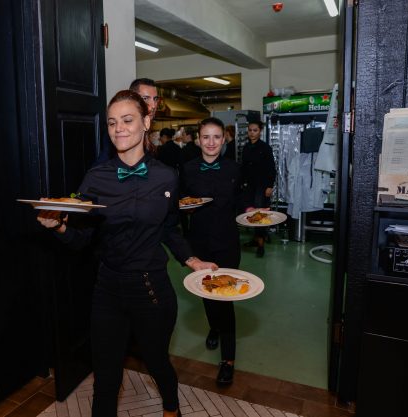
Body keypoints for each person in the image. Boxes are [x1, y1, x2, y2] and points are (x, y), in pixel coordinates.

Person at [37, 90, 217, 417]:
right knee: (106, 378)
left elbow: (169, 229)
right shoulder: (95, 178)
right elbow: (82, 240)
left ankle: (171, 409)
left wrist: (192, 260)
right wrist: (58, 227)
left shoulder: (166, 176)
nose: (118, 128)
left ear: (146, 122)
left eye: (127, 120)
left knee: (157, 362)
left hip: (151, 289)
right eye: (112, 122)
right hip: (107, 289)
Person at [180, 117, 245, 386]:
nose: (211, 142)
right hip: (200, 243)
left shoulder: (234, 168)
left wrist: (252, 209)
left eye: (216, 137)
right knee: (207, 294)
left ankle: (228, 360)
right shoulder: (187, 169)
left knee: (225, 298)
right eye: (205, 137)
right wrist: (185, 207)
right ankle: (214, 327)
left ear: (223, 139)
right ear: (198, 139)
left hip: (228, 243)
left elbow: (241, 201)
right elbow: (181, 201)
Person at [95, 78, 161, 164]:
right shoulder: (117, 132)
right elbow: (104, 163)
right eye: (145, 98)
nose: (153, 106)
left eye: (155, 99)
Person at [240, 120, 276, 257]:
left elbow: (271, 168)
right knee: (251, 213)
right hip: (249, 186)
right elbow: (244, 167)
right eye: (250, 130)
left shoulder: (265, 148)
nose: (252, 133)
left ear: (260, 131)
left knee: (260, 213)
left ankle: (261, 244)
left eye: (255, 130)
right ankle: (255, 239)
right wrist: (242, 183)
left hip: (262, 185)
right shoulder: (246, 147)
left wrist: (270, 186)